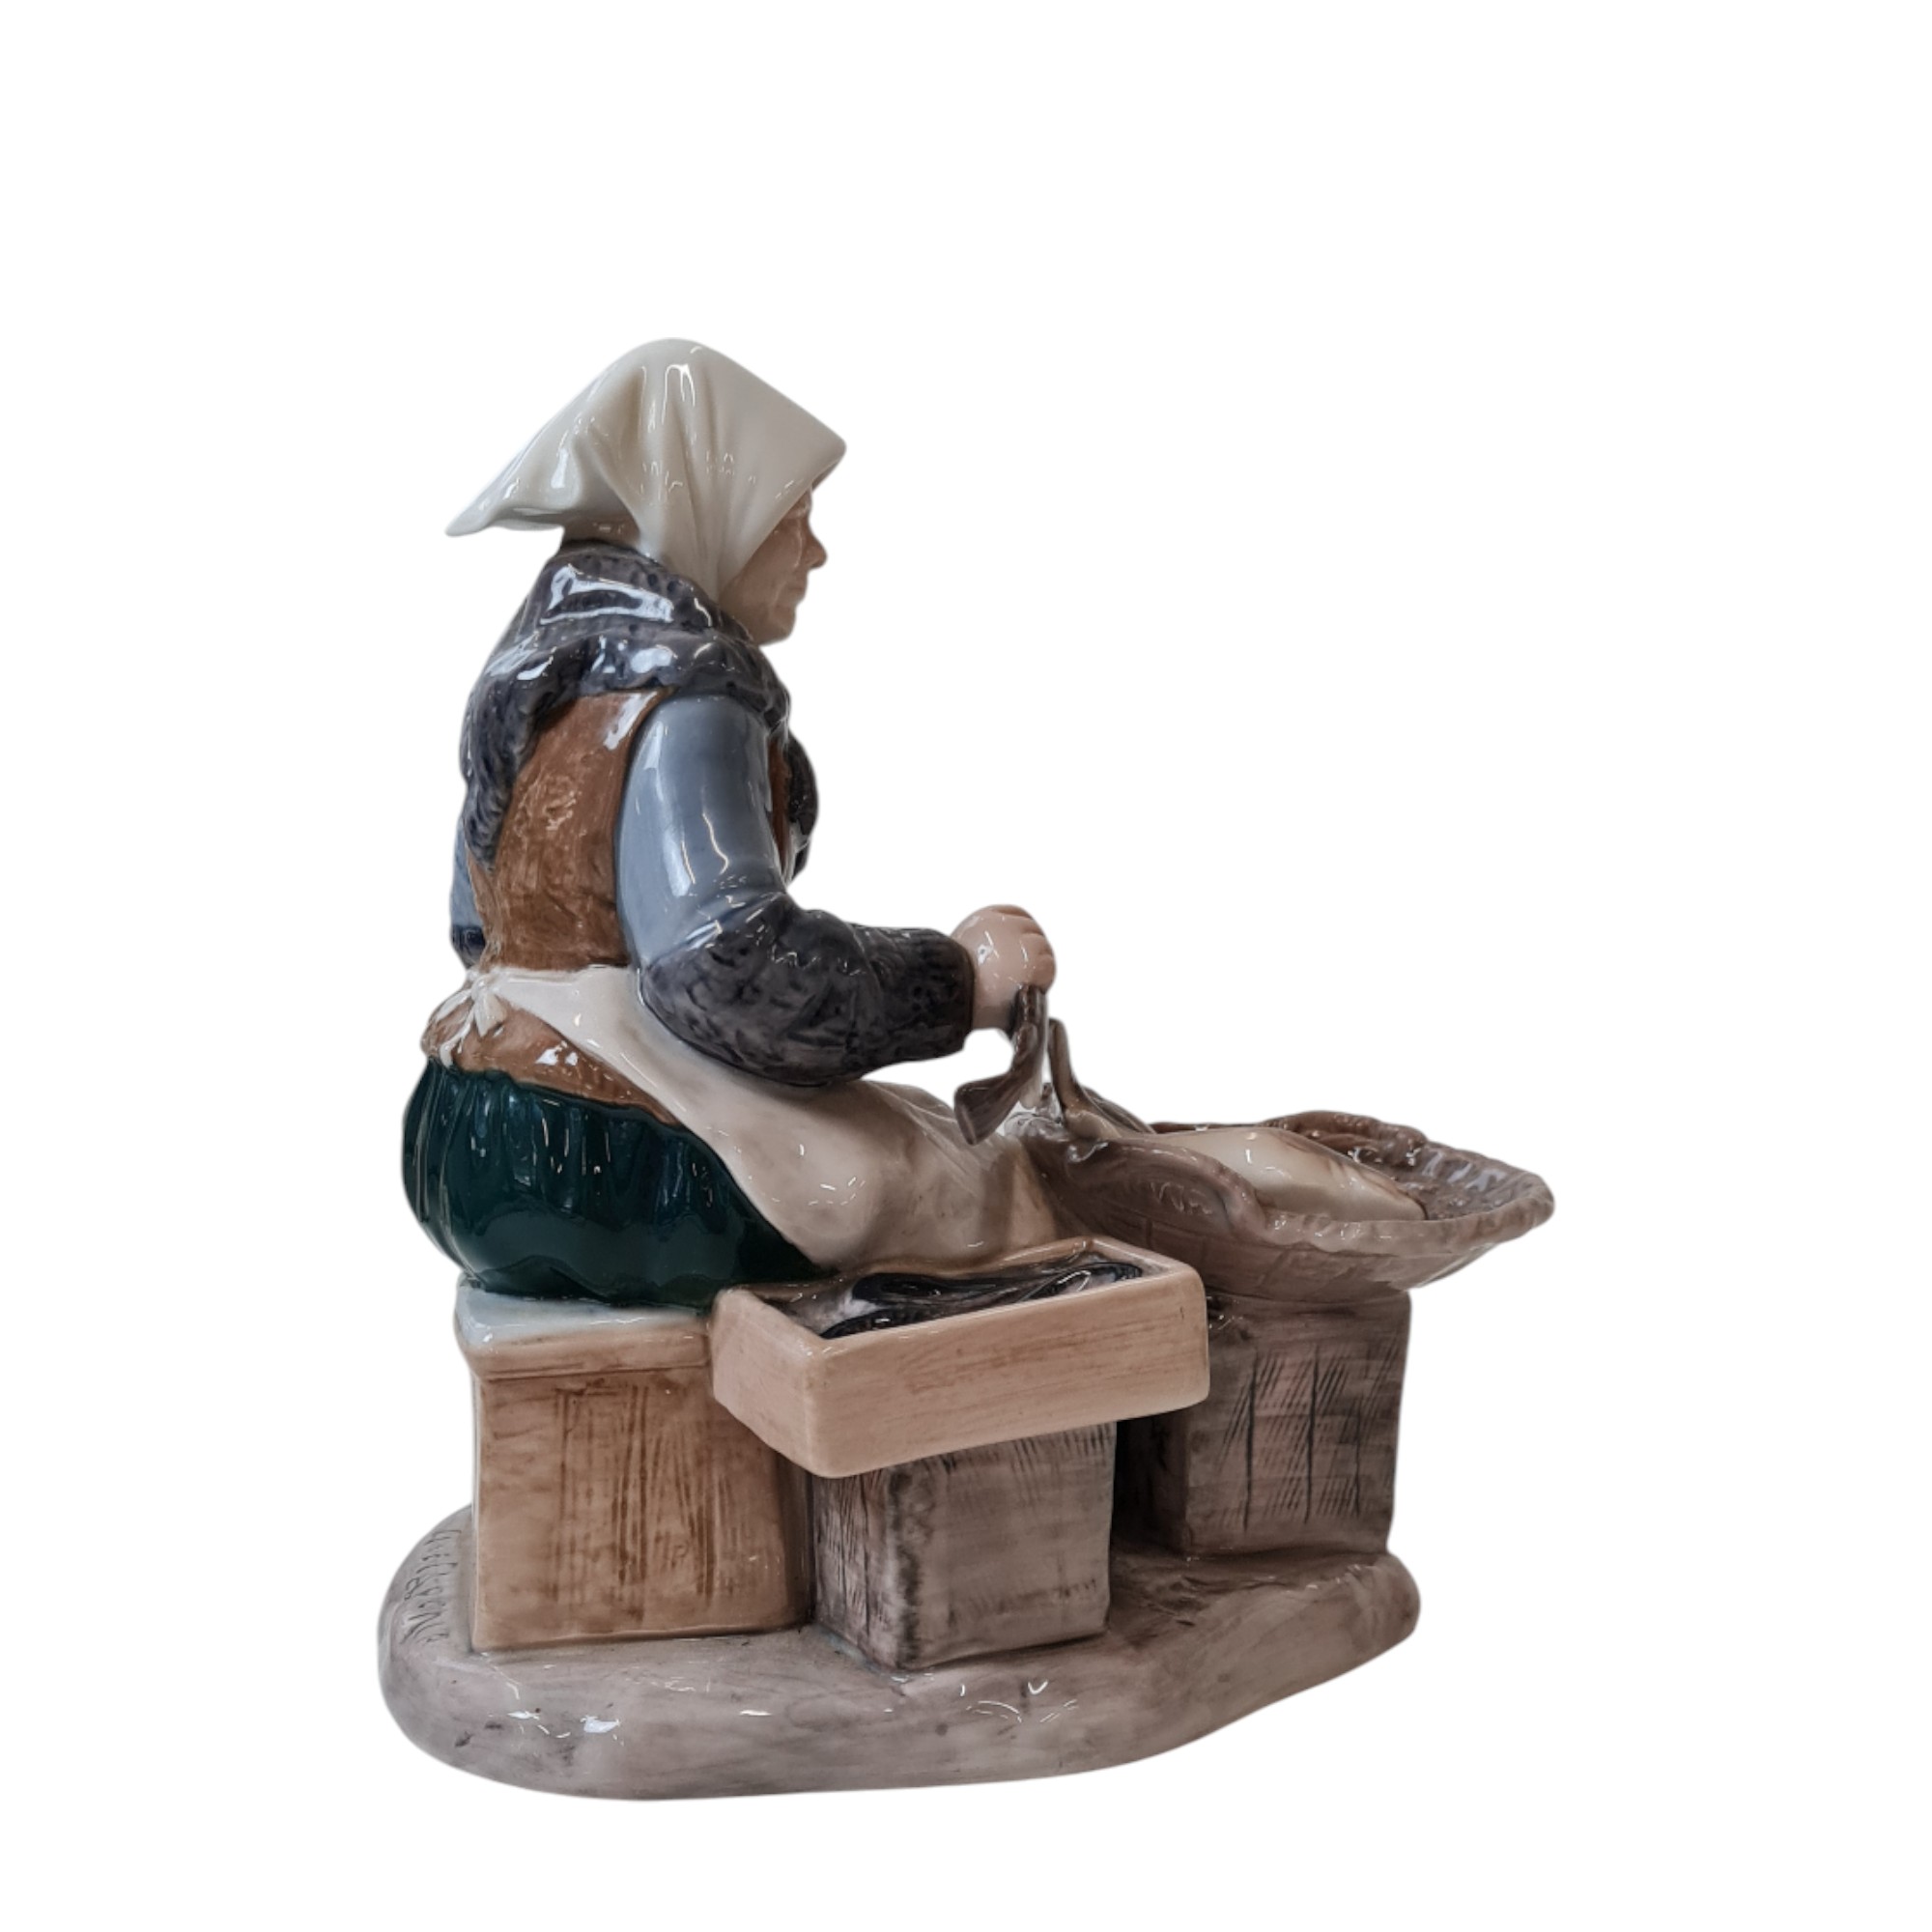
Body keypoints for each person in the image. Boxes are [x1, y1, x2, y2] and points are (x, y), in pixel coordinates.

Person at [404, 341, 1060, 1307]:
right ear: (712, 521)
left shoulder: (534, 676)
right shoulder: (687, 693)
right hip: (596, 1158)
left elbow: (475, 928)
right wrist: (959, 982)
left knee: (918, 1122)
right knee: (986, 1189)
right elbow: (728, 972)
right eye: (792, 520)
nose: (814, 552)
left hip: (460, 1132)